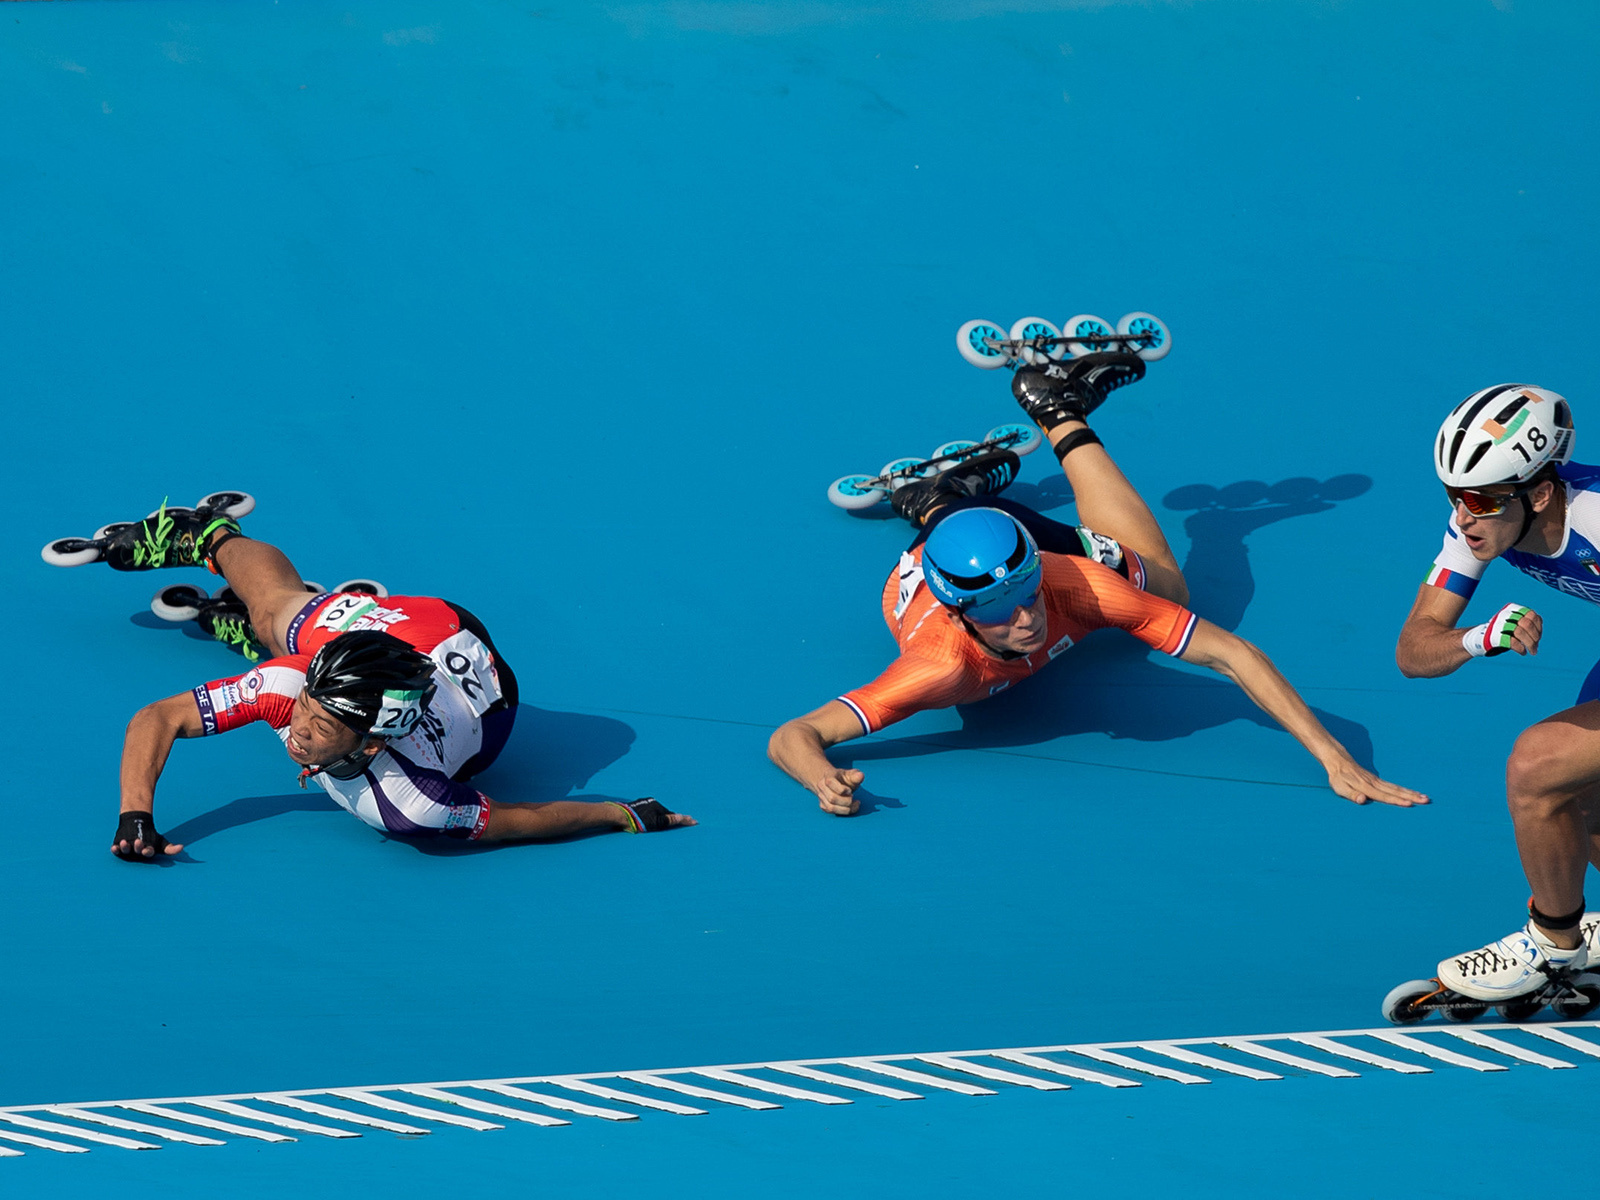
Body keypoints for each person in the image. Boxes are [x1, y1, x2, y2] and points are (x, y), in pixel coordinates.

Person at [770, 351, 1427, 816]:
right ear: (964, 615)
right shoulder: (936, 670)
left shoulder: (1068, 585)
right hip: (926, 568)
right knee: (1071, 564)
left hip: (1012, 537)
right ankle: (954, 487)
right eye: (1000, 614)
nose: (1025, 619)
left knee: (1167, 592)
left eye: (1026, 599)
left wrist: (1332, 754)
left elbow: (1231, 654)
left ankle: (1042, 418)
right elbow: (794, 734)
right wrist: (823, 779)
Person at [68, 499, 693, 860]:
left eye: (321, 726)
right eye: (308, 707)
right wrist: (136, 816)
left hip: (487, 693)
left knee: (278, 638)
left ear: (369, 744)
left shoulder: (414, 806)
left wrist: (619, 813)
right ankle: (206, 529)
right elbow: (156, 718)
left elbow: (522, 816)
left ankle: (255, 614)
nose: (299, 727)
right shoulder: (290, 687)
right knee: (278, 617)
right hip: (414, 630)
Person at [1397, 383, 1600, 998]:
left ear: (1540, 493)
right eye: (1454, 497)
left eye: (1481, 500)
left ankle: (1554, 947)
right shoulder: (1481, 526)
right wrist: (1476, 638)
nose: (1463, 516)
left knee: (1538, 764)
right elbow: (1414, 650)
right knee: (1583, 797)